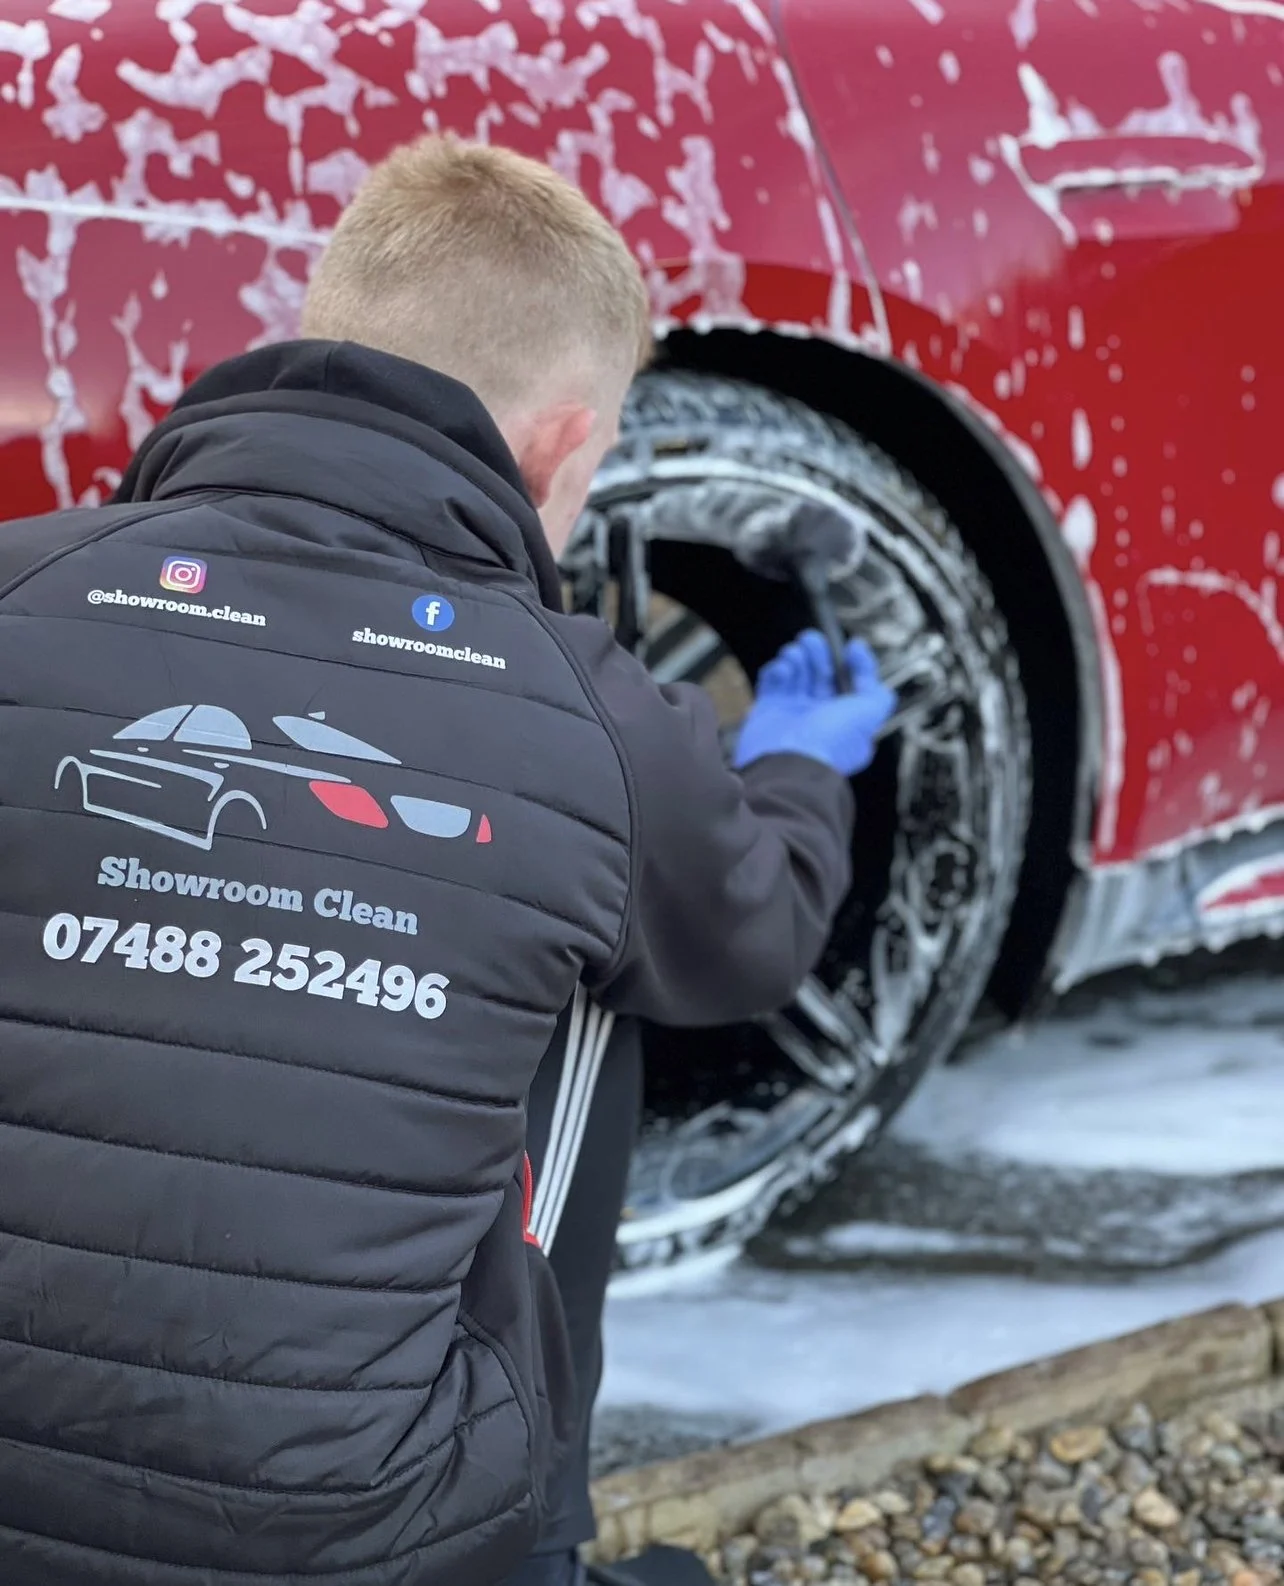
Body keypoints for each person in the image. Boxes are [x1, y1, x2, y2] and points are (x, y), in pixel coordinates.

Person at [0, 135, 894, 1586]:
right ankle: (539, 1552)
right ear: (563, 446)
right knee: (605, 941)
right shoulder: (596, 712)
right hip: (354, 1536)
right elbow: (758, 935)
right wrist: (796, 765)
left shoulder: (20, 581)